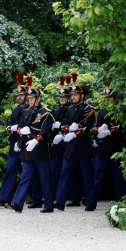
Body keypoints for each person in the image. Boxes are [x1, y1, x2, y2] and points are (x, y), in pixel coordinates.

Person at [54, 73, 97, 211]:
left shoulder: (89, 109)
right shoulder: (70, 109)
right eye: (72, 94)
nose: (72, 97)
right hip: (70, 147)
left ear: (82, 96)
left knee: (86, 175)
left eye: (76, 94)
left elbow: (88, 126)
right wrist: (66, 129)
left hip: (83, 146)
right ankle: (60, 201)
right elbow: (63, 124)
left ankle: (91, 201)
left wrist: (76, 130)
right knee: (64, 172)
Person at [11, 86, 54, 213]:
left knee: (44, 178)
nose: (30, 100)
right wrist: (19, 138)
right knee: (25, 176)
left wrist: (37, 139)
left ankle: (48, 204)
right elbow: (20, 127)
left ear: (38, 98)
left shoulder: (46, 113)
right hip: (27, 148)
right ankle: (18, 202)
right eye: (29, 98)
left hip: (39, 148)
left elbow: (46, 130)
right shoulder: (27, 112)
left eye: (32, 98)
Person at [0, 75, 29, 207]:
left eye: (22, 95)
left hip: (27, 143)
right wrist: (11, 128)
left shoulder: (31, 109)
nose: (19, 97)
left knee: (28, 172)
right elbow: (10, 125)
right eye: (18, 95)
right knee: (11, 169)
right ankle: (5, 198)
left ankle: (36, 198)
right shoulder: (16, 109)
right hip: (15, 143)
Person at [92, 82, 126, 201]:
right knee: (98, 174)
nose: (108, 100)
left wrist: (109, 132)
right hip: (102, 148)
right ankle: (92, 201)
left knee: (117, 175)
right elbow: (95, 126)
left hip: (114, 147)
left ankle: (120, 199)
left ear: (115, 98)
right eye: (106, 97)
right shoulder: (101, 112)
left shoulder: (119, 111)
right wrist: (98, 131)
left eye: (110, 97)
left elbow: (119, 126)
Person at [48, 76, 71, 206]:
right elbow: (51, 126)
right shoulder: (56, 110)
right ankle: (52, 197)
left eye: (64, 97)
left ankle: (72, 197)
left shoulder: (70, 109)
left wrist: (61, 128)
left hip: (67, 143)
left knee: (67, 171)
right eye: (60, 97)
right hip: (57, 145)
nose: (62, 98)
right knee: (54, 170)